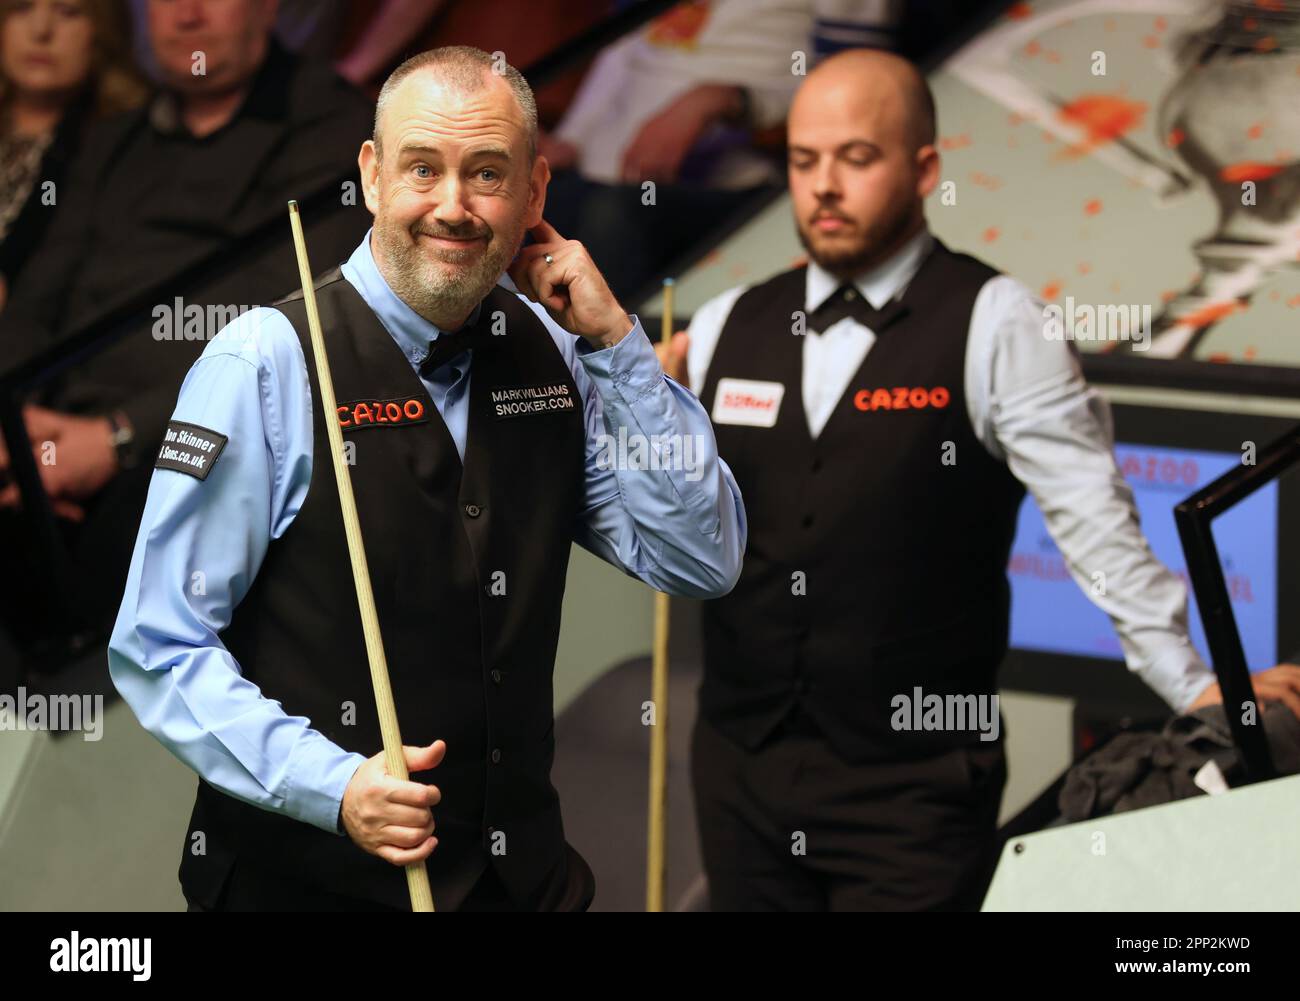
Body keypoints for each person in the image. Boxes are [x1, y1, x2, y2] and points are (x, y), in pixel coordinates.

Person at [656, 48, 1300, 911]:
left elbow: (1094, 521)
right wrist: (631, 404)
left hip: (913, 781)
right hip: (739, 768)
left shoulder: (1000, 324)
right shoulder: (730, 322)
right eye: (805, 162)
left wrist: (1193, 681)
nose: (824, 187)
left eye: (857, 157)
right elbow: (663, 518)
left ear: (924, 169)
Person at [108, 45, 746, 912]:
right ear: (371, 174)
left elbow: (701, 557)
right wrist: (330, 785)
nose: (454, 206)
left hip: (521, 882)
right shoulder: (264, 364)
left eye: (487, 173)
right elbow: (159, 643)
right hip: (306, 891)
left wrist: (619, 346)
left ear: (535, 193)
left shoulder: (562, 353)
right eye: (422, 168)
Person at [0, 0, 372, 650]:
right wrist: (11, 429)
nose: (187, 15)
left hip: (199, 443)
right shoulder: (116, 139)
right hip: (52, 440)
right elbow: (36, 302)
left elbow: (287, 323)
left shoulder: (334, 124)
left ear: (266, 9)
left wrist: (116, 439)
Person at [0, 0, 146, 308]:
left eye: (68, 11)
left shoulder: (127, 147)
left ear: (102, 29)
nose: (41, 31)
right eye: (21, 8)